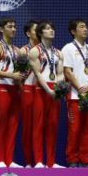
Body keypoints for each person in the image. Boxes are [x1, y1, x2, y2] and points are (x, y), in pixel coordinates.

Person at [62, 18, 88, 168]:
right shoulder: (68, 48)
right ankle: (72, 159)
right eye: (81, 27)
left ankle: (86, 159)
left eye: (86, 26)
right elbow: (67, 71)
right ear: (73, 31)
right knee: (75, 128)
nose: (85, 29)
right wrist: (79, 88)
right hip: (74, 95)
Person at [0, 17, 26, 168]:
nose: (14, 29)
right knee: (0, 126)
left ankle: (9, 160)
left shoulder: (17, 50)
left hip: (15, 89)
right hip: (2, 88)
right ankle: (0, 160)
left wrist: (20, 79)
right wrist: (11, 76)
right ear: (2, 29)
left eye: (15, 26)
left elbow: (20, 71)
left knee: (13, 126)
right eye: (10, 26)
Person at [28, 21, 64, 168]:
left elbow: (60, 73)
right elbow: (37, 73)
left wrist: (58, 88)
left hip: (54, 89)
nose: (52, 31)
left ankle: (51, 161)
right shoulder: (35, 51)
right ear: (41, 33)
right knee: (39, 125)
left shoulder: (58, 53)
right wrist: (48, 90)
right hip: (40, 89)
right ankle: (38, 161)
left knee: (52, 126)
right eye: (48, 29)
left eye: (52, 28)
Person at [19, 20, 39, 167]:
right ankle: (28, 162)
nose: (38, 33)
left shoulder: (46, 51)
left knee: (40, 127)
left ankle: (40, 161)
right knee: (27, 127)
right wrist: (23, 90)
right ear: (28, 33)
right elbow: (18, 75)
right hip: (27, 90)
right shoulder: (23, 52)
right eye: (35, 30)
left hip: (42, 91)